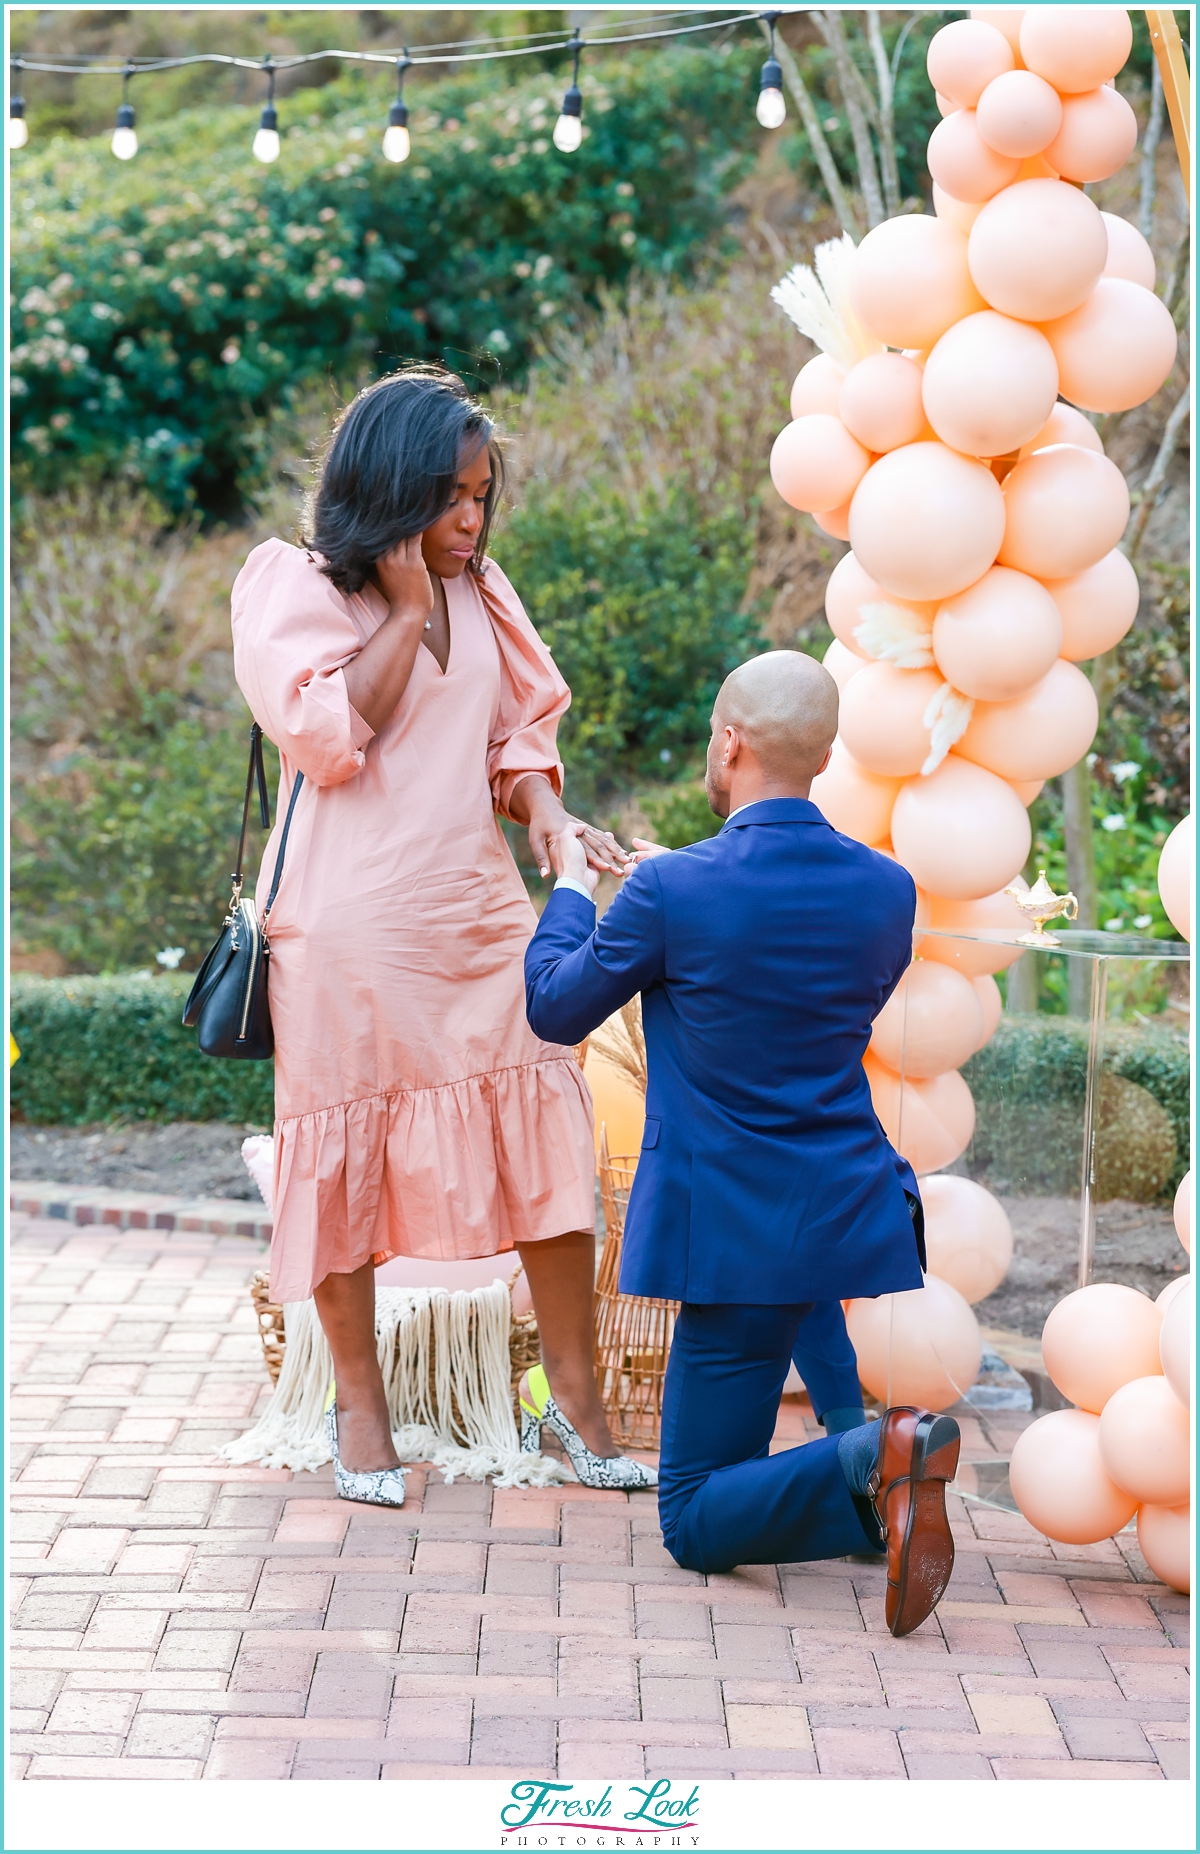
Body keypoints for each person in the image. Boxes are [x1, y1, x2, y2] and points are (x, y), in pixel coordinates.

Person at [231, 366, 655, 1504]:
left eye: (483, 495)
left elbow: (515, 741)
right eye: (452, 498)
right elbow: (328, 739)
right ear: (391, 489)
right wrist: (407, 605)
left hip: (475, 917)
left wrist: (553, 812)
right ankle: (357, 1411)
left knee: (549, 1135)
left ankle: (575, 1410)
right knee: (348, 1167)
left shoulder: (487, 587)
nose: (472, 520)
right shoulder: (291, 586)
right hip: (350, 928)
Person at [524, 649, 961, 1638]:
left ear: (730, 740)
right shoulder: (888, 892)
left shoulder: (673, 893)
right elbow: (777, 966)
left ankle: (874, 1457)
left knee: (691, 1516)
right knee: (811, 1340)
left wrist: (575, 892)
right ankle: (869, 1490)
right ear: (822, 750)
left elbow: (554, 1007)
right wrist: (663, 888)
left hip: (731, 1231)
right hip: (843, 1204)